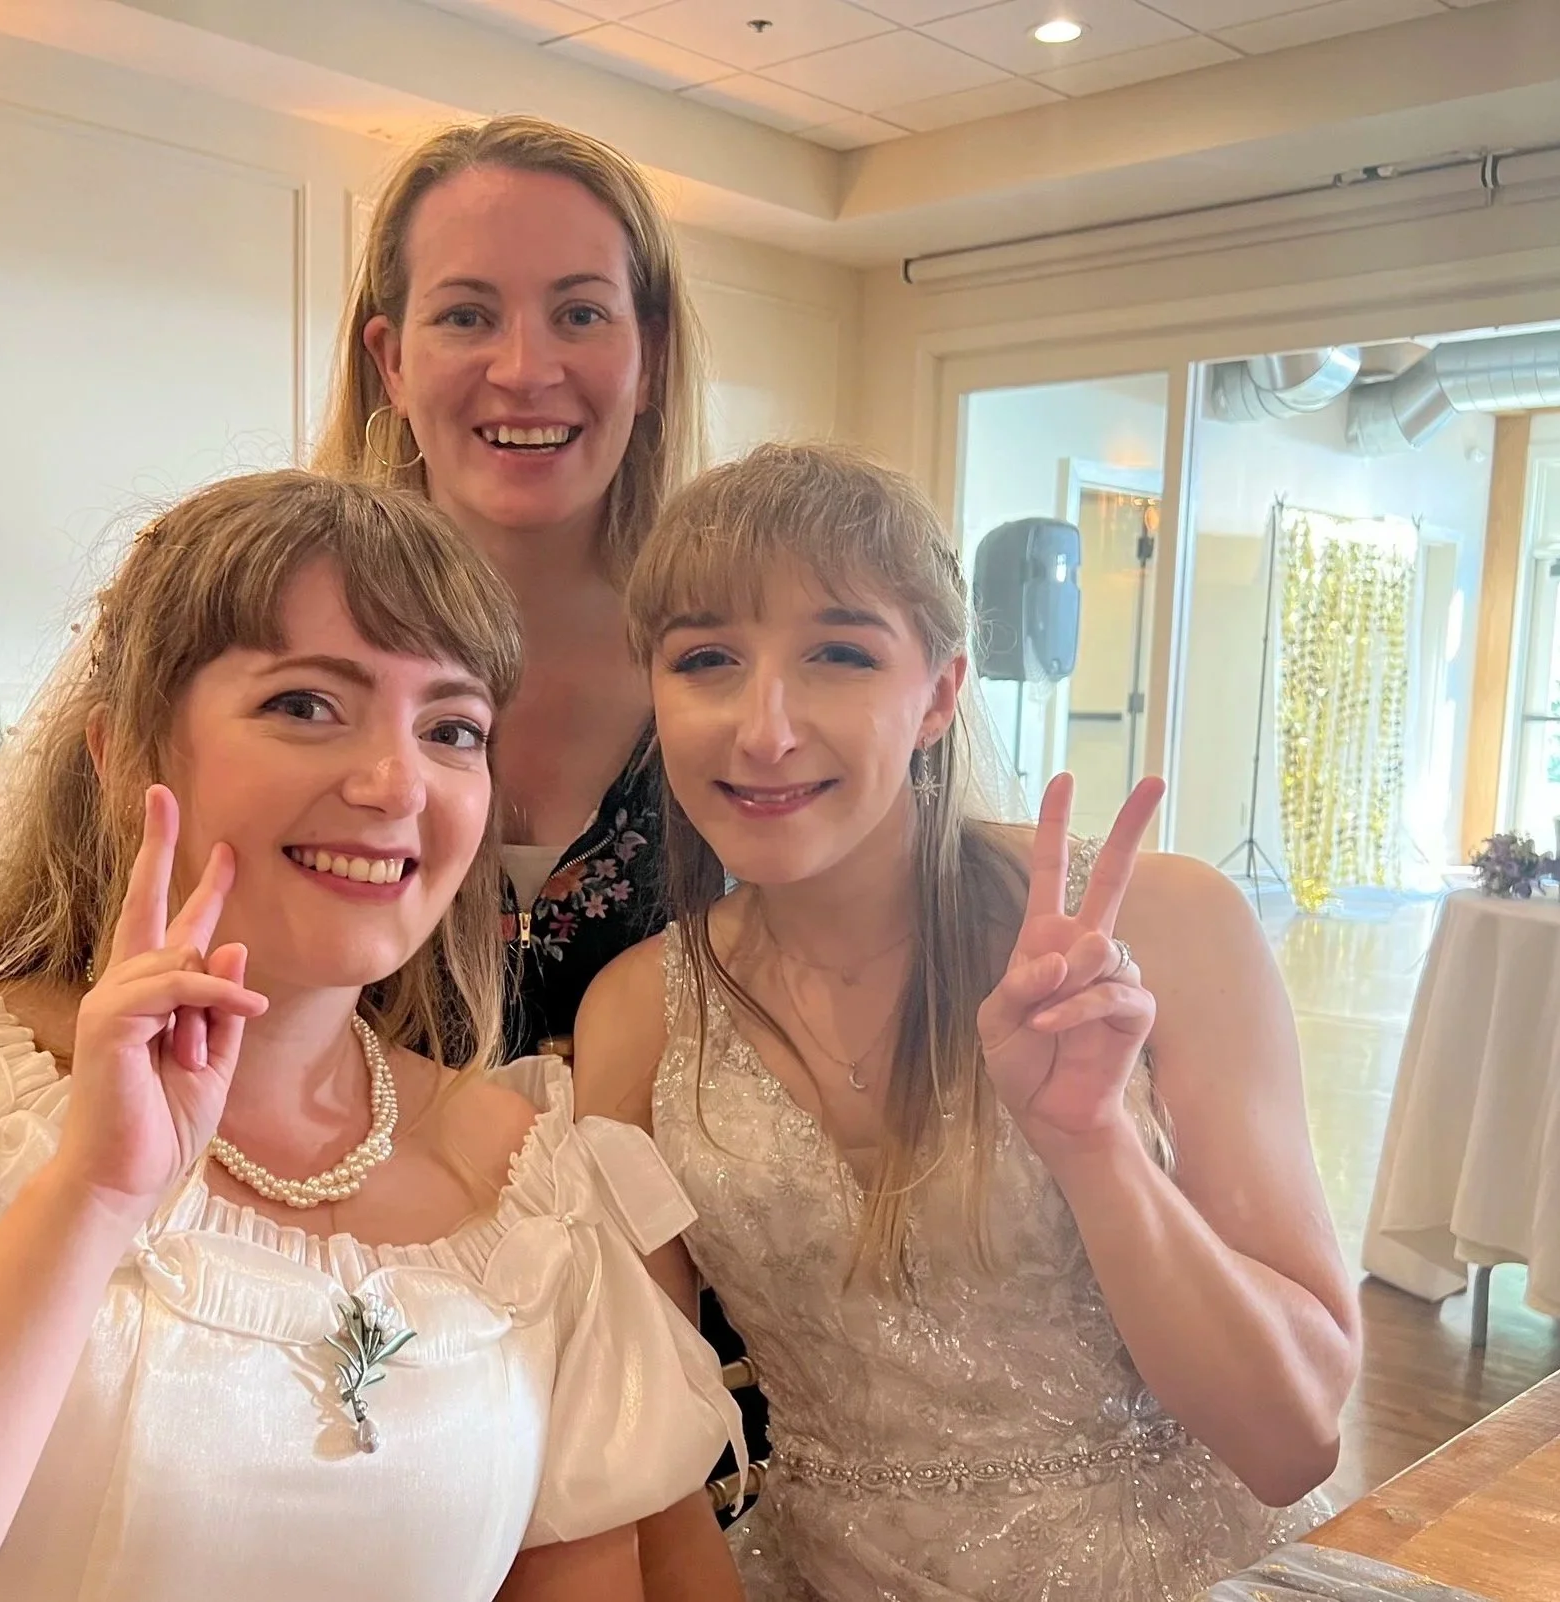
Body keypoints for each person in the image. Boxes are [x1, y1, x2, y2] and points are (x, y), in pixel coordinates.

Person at [0, 114, 754, 1578]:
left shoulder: (752, 690)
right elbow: (1, 952)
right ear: (387, 355)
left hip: (655, 1325)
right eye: (306, 702)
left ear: (651, 349)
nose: (525, 365)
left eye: (450, 729)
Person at [575, 443, 1361, 1602]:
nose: (763, 729)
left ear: (939, 695)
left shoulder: (1164, 927)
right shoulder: (638, 1013)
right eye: (706, 661)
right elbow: (632, 1445)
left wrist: (1093, 1145)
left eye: (839, 655)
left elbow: (1291, 1439)